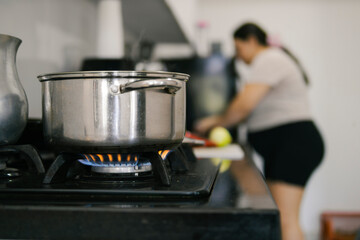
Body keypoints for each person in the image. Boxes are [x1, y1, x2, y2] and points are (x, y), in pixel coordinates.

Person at [194, 22, 324, 240]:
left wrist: (213, 122)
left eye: (239, 48)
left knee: (286, 219)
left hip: (294, 145)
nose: (237, 56)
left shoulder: (269, 59)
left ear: (252, 41)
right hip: (286, 147)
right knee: (279, 217)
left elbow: (243, 106)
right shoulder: (268, 61)